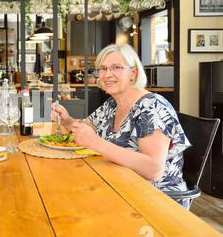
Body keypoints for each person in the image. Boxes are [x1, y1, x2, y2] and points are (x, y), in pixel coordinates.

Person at [52, 43, 192, 209]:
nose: (107, 74)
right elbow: (84, 130)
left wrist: (96, 143)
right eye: (102, 69)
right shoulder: (112, 104)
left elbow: (153, 169)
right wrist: (67, 120)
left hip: (155, 200)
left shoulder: (151, 106)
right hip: (118, 187)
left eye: (116, 67)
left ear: (133, 73)